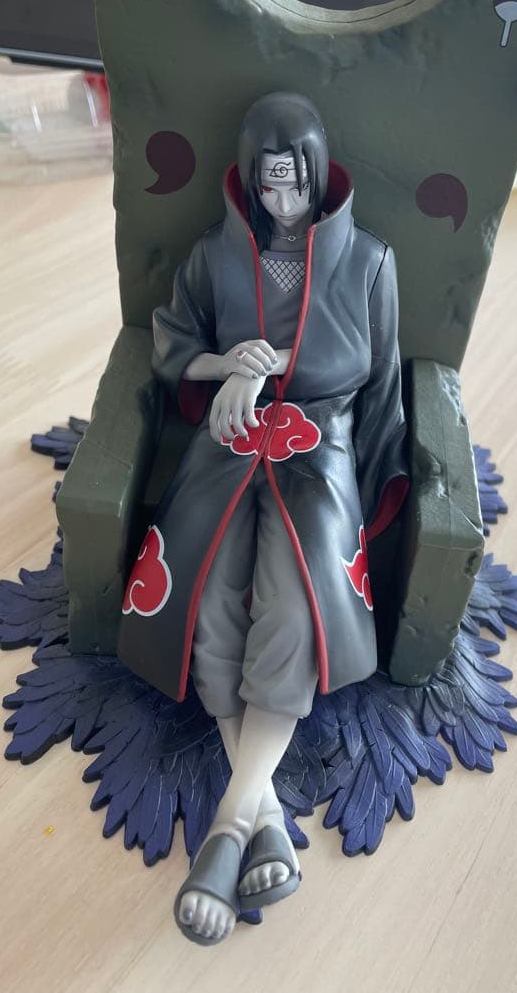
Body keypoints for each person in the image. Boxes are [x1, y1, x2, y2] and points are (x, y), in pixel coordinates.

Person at [118, 91, 408, 945]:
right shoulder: (216, 254)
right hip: (227, 442)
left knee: (291, 605)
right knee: (209, 596)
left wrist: (270, 365)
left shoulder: (369, 262)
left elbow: (372, 371)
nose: (282, 200)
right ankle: (263, 816)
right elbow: (175, 346)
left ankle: (226, 828)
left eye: (295, 182)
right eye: (268, 183)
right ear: (249, 179)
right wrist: (227, 365)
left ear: (319, 174)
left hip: (318, 448)